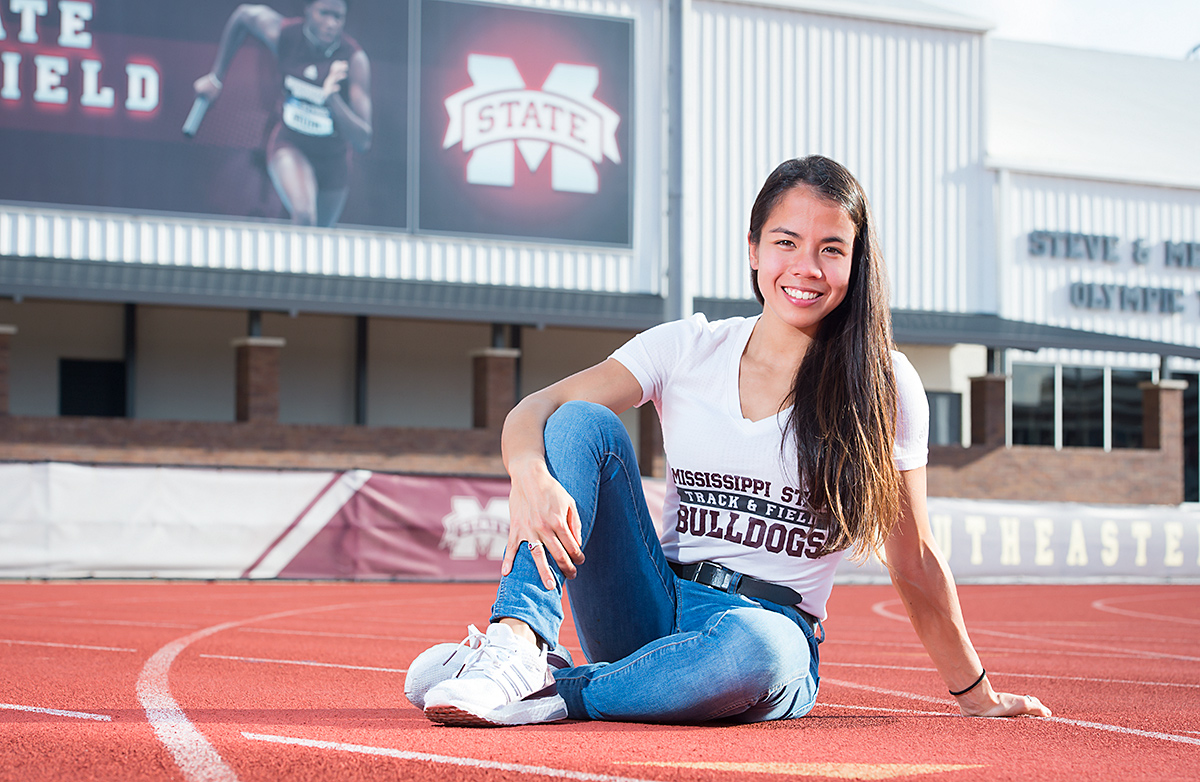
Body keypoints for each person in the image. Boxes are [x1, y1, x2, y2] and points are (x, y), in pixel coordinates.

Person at [410, 155, 1053, 727]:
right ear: (752, 249)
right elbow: (535, 408)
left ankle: (553, 689)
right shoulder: (689, 348)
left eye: (832, 249)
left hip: (762, 633)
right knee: (582, 424)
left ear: (856, 264)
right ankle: (518, 641)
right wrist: (530, 478)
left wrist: (977, 695)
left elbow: (913, 557)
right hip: (650, 606)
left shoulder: (883, 383)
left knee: (759, 650)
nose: (806, 268)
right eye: (786, 242)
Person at [193, 0, 371, 227]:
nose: (331, 24)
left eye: (338, 17)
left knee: (321, 236)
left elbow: (363, 141)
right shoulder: (286, 35)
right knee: (305, 216)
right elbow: (244, 15)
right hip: (290, 145)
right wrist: (216, 77)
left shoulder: (353, 59)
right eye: (324, 13)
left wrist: (332, 100)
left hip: (333, 161)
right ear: (308, 10)